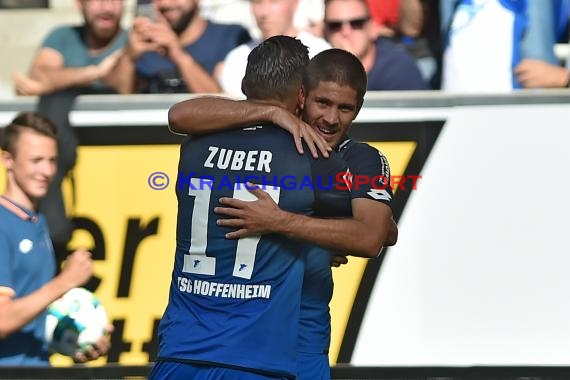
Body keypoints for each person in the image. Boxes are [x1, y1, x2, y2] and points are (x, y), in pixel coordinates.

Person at [168, 48, 398, 379]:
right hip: (254, 341)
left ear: (358, 109)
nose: (331, 118)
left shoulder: (359, 159)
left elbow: (379, 233)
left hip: (297, 340)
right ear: (302, 97)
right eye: (322, 103)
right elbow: (375, 233)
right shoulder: (295, 154)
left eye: (344, 108)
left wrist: (289, 224)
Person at [13, 0, 129, 263]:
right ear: (80, 5)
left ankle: (54, 228)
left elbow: (124, 86)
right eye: (97, 0)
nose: (106, 8)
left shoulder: (134, 38)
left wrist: (63, 79)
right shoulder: (63, 35)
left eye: (114, 0)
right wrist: (95, 72)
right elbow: (38, 76)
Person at [0, 112, 109, 365]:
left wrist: (79, 339)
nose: (47, 171)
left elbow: (32, 316)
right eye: (36, 160)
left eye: (52, 160)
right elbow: (2, 320)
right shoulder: (2, 223)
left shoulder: (37, 221)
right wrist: (66, 281)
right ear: (8, 159)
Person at [111, 0, 251, 94]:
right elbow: (115, 103)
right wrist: (129, 57)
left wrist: (178, 54)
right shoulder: (142, 42)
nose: (165, 3)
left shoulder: (232, 37)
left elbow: (220, 106)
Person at [216, 0, 331, 96]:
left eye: (274, 1)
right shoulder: (236, 60)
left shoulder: (321, 53)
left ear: (295, 3)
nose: (264, 13)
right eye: (257, 2)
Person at [323, 0, 427, 91]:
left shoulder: (399, 71)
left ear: (373, 28)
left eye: (357, 23)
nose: (346, 32)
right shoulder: (316, 70)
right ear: (325, 32)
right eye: (335, 26)